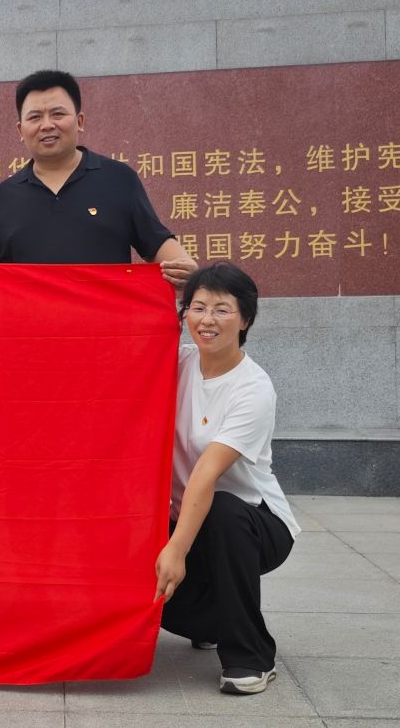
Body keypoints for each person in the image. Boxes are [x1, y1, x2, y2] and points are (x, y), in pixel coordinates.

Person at [153, 263, 300, 695]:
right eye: (198, 308)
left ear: (246, 319)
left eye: (222, 310)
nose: (207, 320)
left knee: (221, 510)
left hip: (254, 523)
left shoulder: (252, 388)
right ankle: (215, 620)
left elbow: (206, 472)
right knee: (141, 585)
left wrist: (176, 549)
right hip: (186, 519)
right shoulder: (177, 362)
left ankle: (251, 656)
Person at [0, 69, 195, 284]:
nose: (47, 125)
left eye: (58, 114)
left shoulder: (118, 179)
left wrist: (186, 268)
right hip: (33, 312)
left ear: (79, 122)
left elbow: (156, 242)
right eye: (35, 117)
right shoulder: (5, 196)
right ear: (20, 130)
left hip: (105, 310)